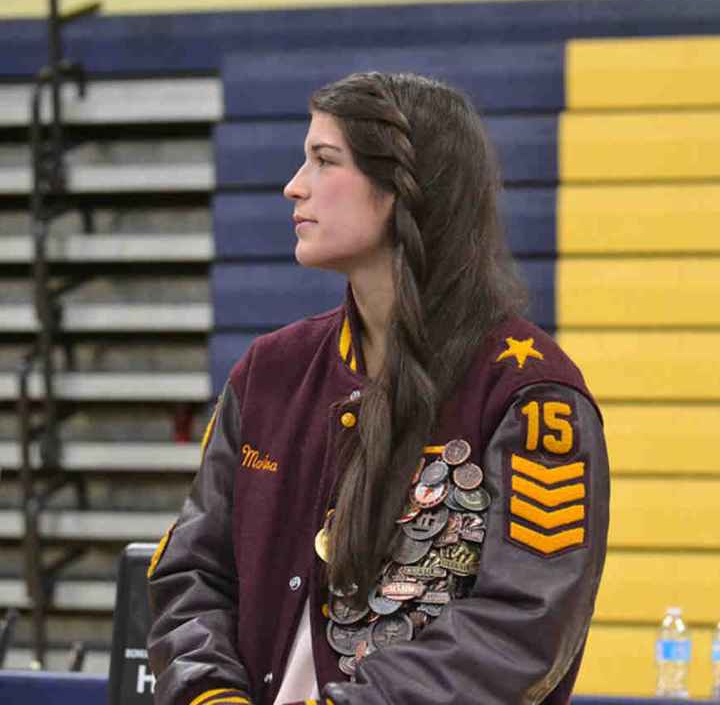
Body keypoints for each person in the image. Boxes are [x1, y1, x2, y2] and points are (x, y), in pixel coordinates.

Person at [146, 72, 609, 705]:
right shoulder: (268, 372)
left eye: (324, 160)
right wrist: (210, 695)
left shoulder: (530, 395)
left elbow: (525, 626)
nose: (293, 185)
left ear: (400, 189)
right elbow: (192, 573)